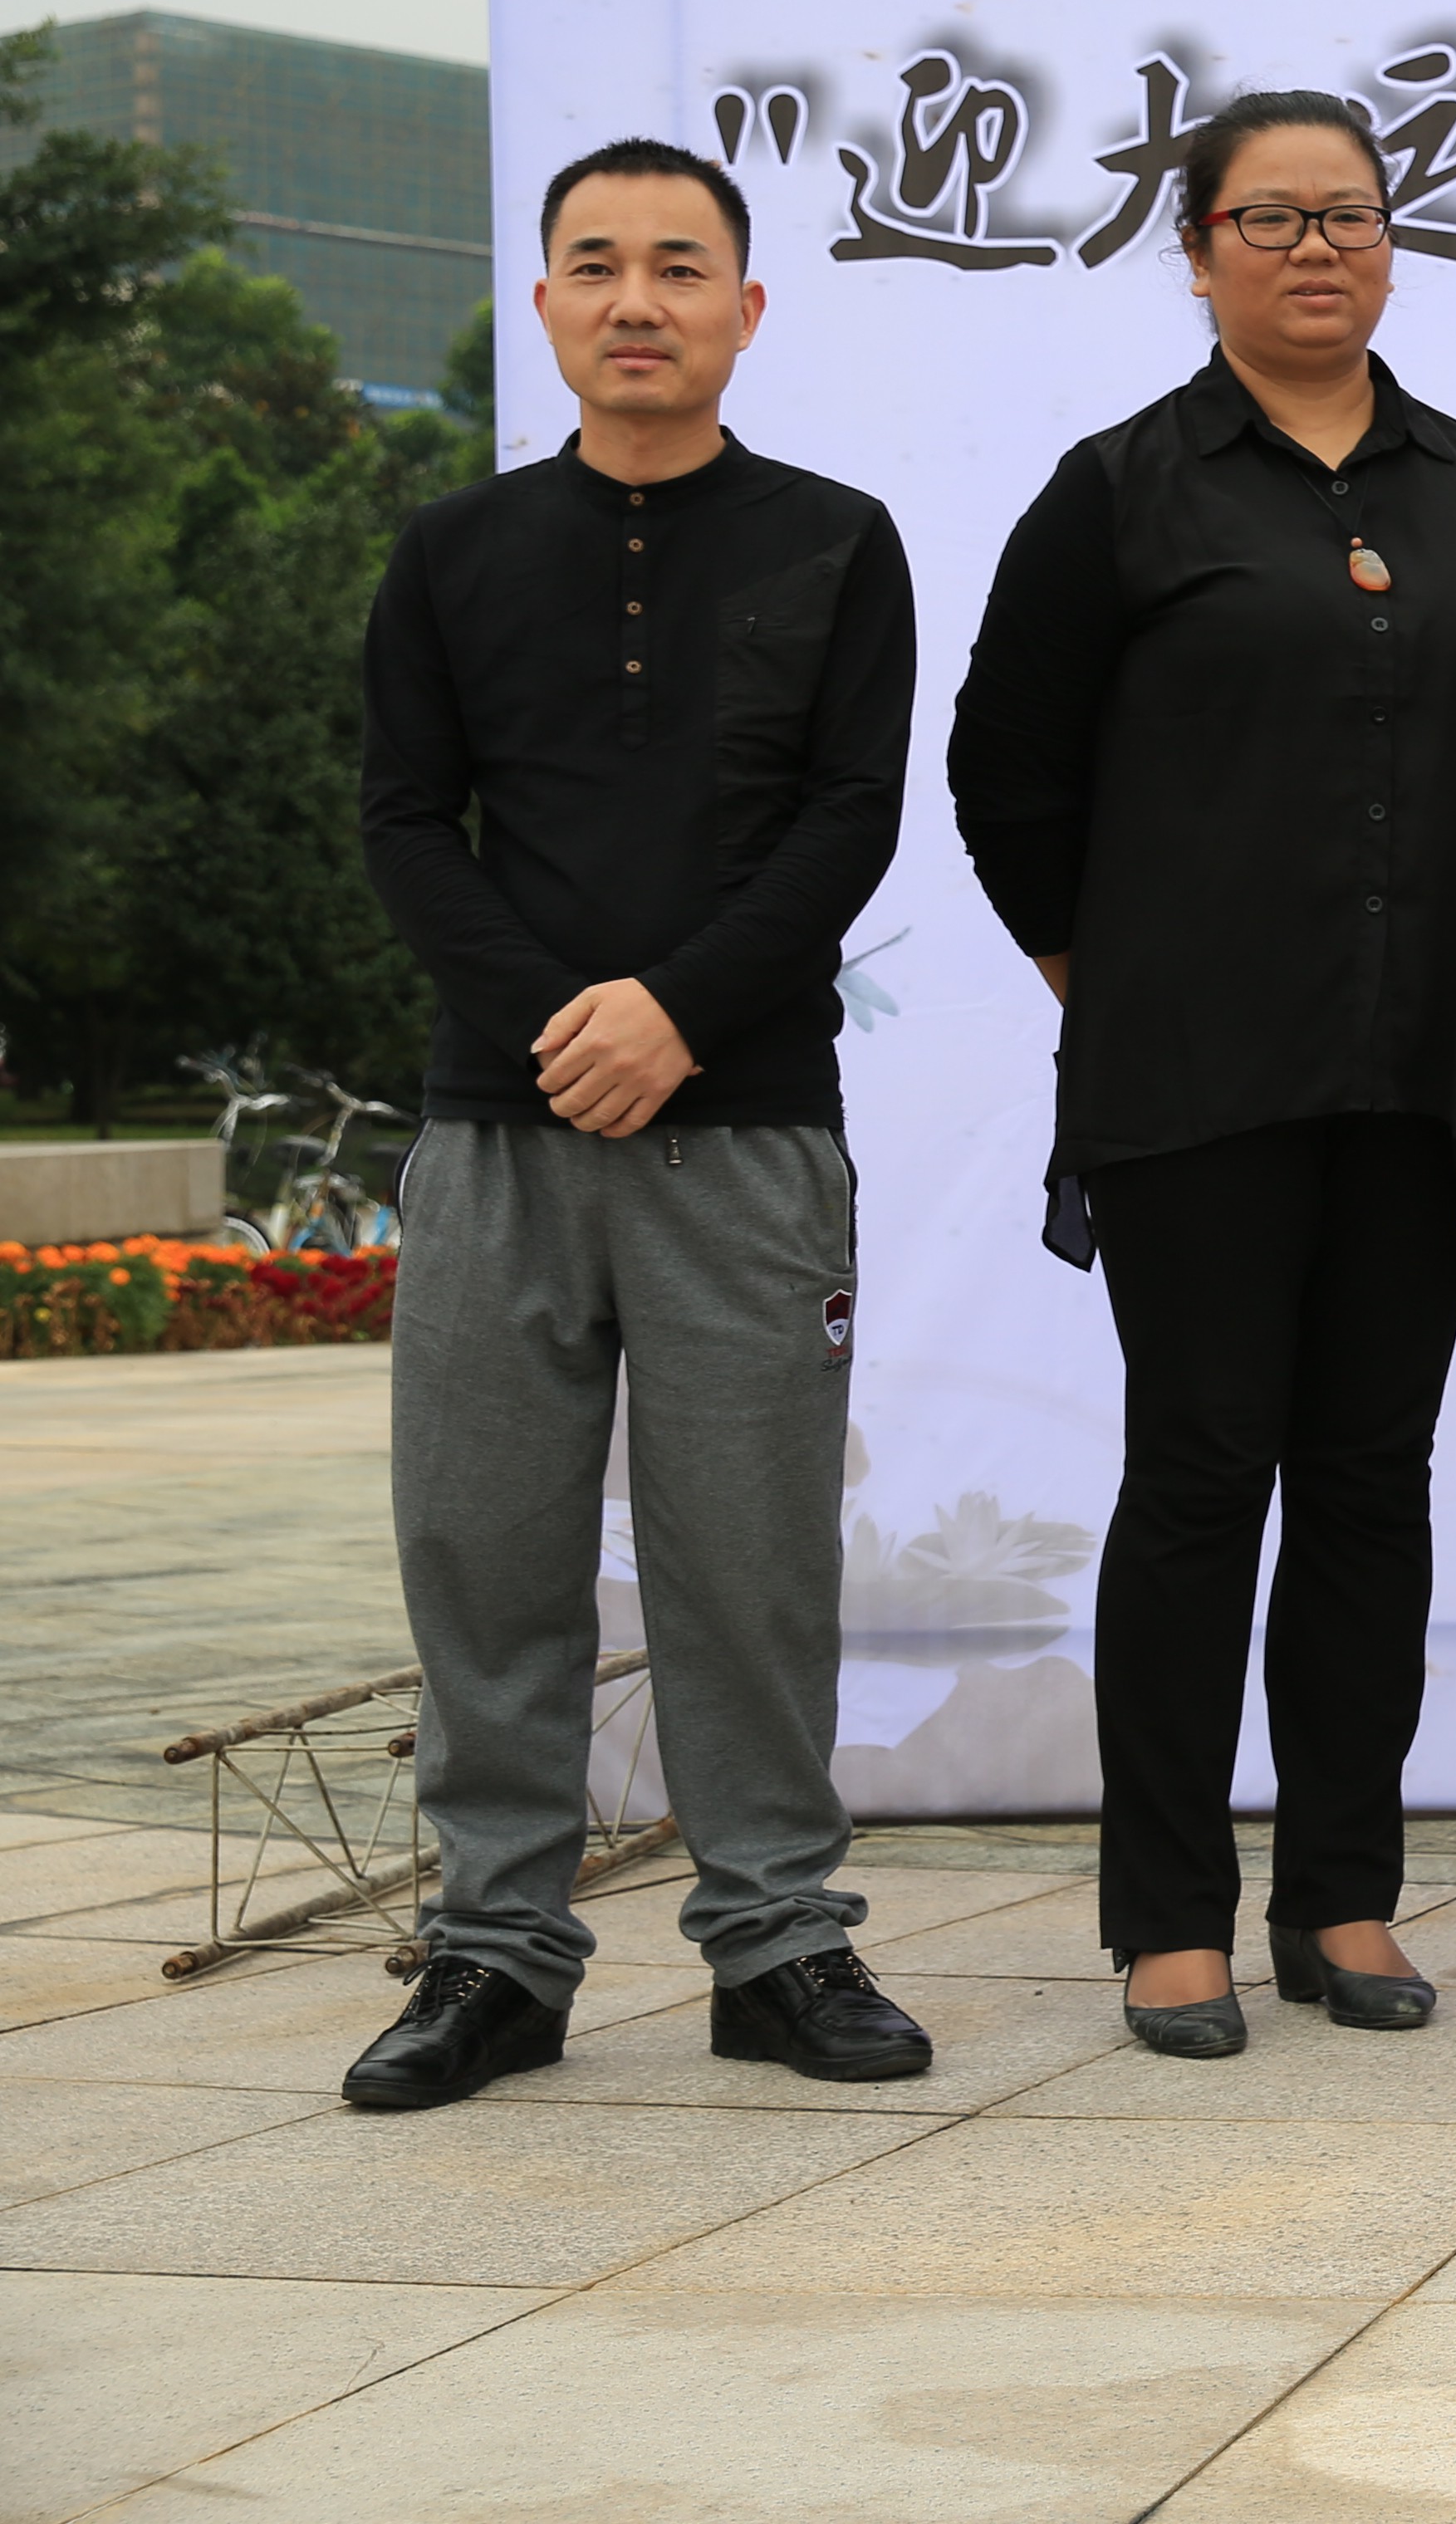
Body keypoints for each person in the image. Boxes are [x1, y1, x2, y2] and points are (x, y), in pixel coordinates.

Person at [950, 89, 1456, 2056]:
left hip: (1423, 1089)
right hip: (1197, 1081)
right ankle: (1169, 1919)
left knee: (1374, 1483)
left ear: (1392, 246)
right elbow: (1005, 771)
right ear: (1199, 250)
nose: (1316, 248)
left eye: (1349, 216)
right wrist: (1115, 976)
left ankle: (1344, 1896)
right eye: (1272, 218)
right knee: (1201, 1478)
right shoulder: (1120, 492)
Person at [347, 136, 925, 2109]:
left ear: (746, 309)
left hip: (742, 1132)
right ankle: (495, 1958)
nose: (637, 300)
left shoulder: (836, 541)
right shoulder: (453, 553)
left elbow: (849, 819)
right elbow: (406, 822)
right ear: (545, 305)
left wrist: (677, 1013)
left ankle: (777, 1946)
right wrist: (557, 1027)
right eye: (595, 264)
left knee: (747, 1561)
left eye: (681, 266)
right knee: (483, 1552)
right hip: (499, 1138)